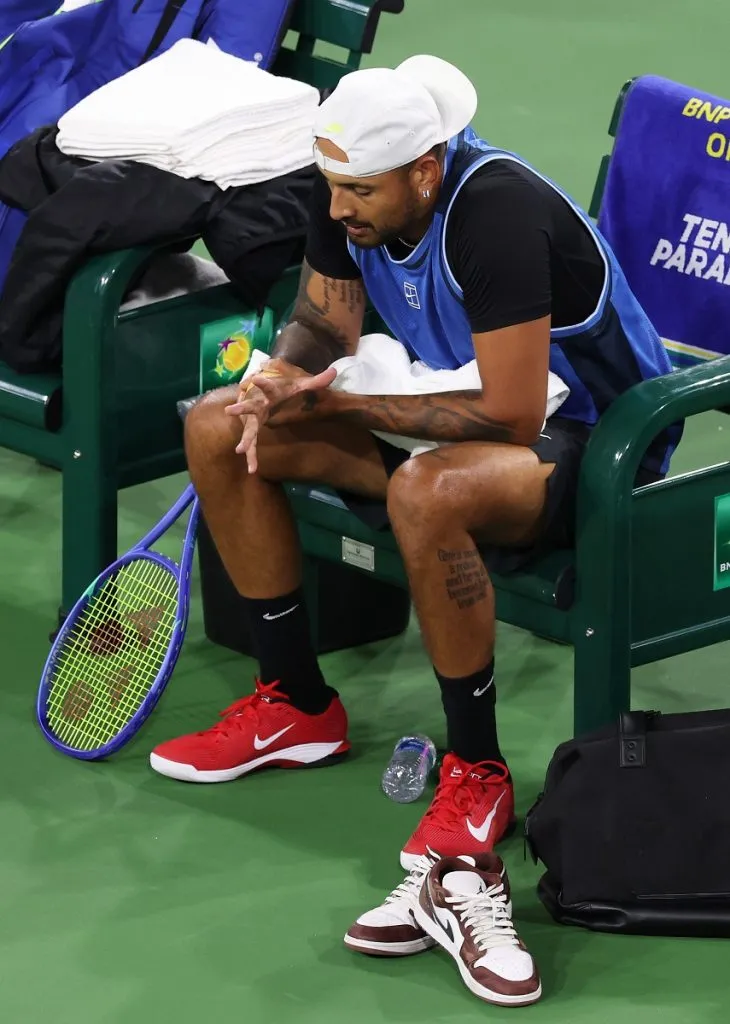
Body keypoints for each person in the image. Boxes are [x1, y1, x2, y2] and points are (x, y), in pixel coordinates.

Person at [149, 55, 679, 866]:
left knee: (428, 493)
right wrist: (284, 378)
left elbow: (511, 413)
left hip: (599, 444)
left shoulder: (493, 214)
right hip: (455, 405)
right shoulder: (353, 180)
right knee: (219, 424)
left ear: (426, 171)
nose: (337, 206)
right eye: (333, 185)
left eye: (358, 191)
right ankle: (295, 702)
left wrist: (344, 406)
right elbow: (326, 325)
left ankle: (477, 769)